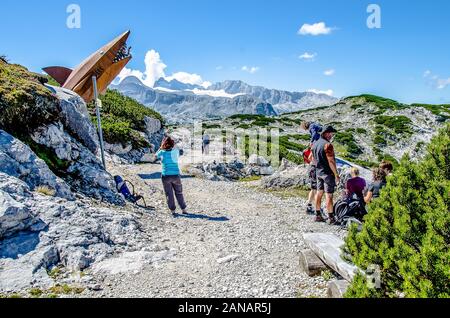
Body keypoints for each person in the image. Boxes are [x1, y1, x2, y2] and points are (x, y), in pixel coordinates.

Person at [312, 125, 339, 224]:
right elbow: (331, 161)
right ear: (326, 133)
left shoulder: (315, 144)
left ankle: (317, 214)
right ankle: (331, 217)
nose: (332, 135)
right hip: (327, 173)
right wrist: (336, 174)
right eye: (331, 133)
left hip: (318, 172)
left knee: (319, 193)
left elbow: (313, 159)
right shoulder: (328, 145)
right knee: (329, 195)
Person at [156, 137, 188, 215]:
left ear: (164, 144)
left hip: (165, 175)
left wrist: (160, 147)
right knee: (179, 192)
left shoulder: (162, 152)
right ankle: (183, 209)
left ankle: (173, 210)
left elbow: (154, 156)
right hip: (176, 175)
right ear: (172, 144)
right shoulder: (175, 152)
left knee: (169, 193)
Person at [301, 121, 323, 215]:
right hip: (315, 169)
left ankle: (309, 206)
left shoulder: (311, 127)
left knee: (314, 189)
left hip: (312, 168)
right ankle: (317, 208)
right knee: (317, 190)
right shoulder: (314, 125)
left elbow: (314, 134)